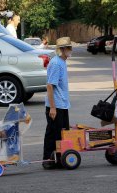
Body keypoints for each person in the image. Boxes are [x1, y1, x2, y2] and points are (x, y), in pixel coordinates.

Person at [42, 37, 72, 169]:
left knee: (62, 133)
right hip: (56, 106)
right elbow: (50, 86)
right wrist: (52, 108)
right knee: (53, 133)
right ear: (62, 50)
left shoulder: (62, 62)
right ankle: (48, 159)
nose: (70, 51)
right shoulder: (56, 63)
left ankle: (59, 158)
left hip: (63, 104)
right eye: (68, 48)